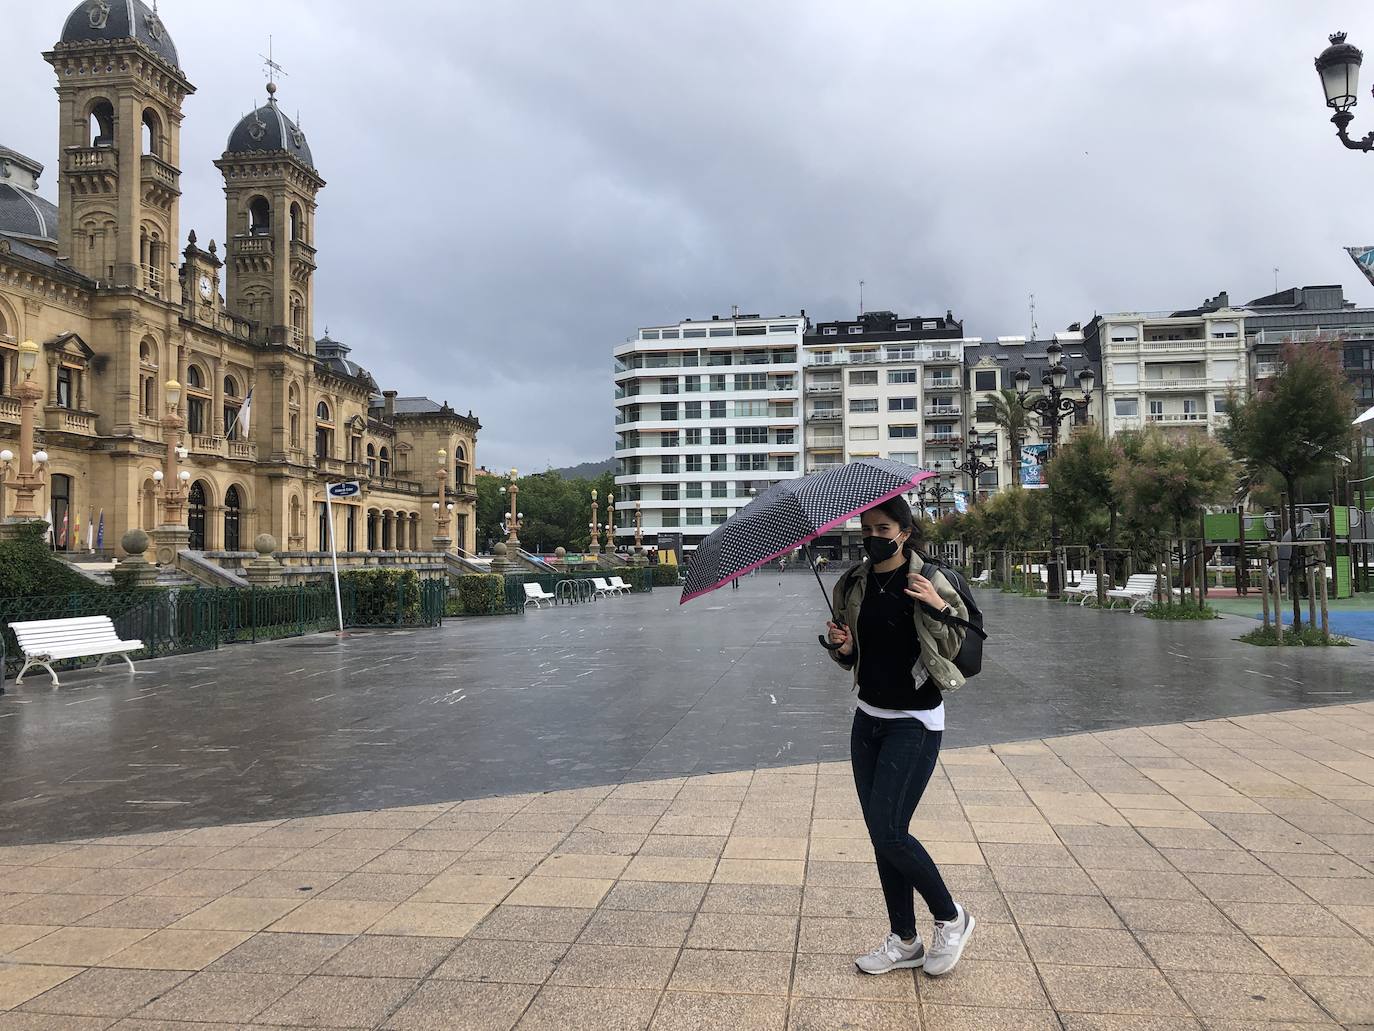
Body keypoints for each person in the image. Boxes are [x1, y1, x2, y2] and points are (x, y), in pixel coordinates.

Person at [825, 495, 975, 978]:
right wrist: (842, 648)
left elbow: (957, 646)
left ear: (904, 533)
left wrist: (937, 606)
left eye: (883, 528)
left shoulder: (931, 579)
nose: (872, 536)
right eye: (866, 528)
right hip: (867, 718)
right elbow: (851, 656)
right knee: (883, 835)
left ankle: (951, 918)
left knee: (890, 831)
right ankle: (905, 940)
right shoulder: (853, 583)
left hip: (915, 720)